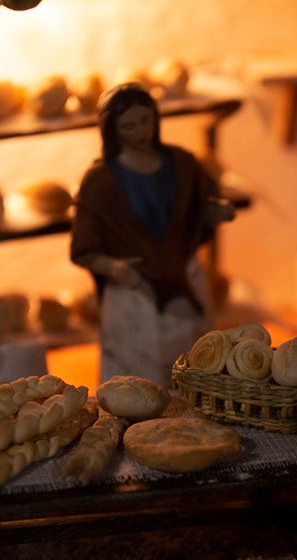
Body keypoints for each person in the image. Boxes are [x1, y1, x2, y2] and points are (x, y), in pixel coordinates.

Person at [71, 83, 235, 386]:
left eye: (146, 121)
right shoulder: (100, 182)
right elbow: (83, 248)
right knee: (136, 386)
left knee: (196, 375)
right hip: (134, 294)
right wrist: (114, 267)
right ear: (112, 130)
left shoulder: (183, 164)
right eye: (128, 126)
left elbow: (203, 207)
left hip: (184, 283)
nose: (140, 132)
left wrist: (215, 212)